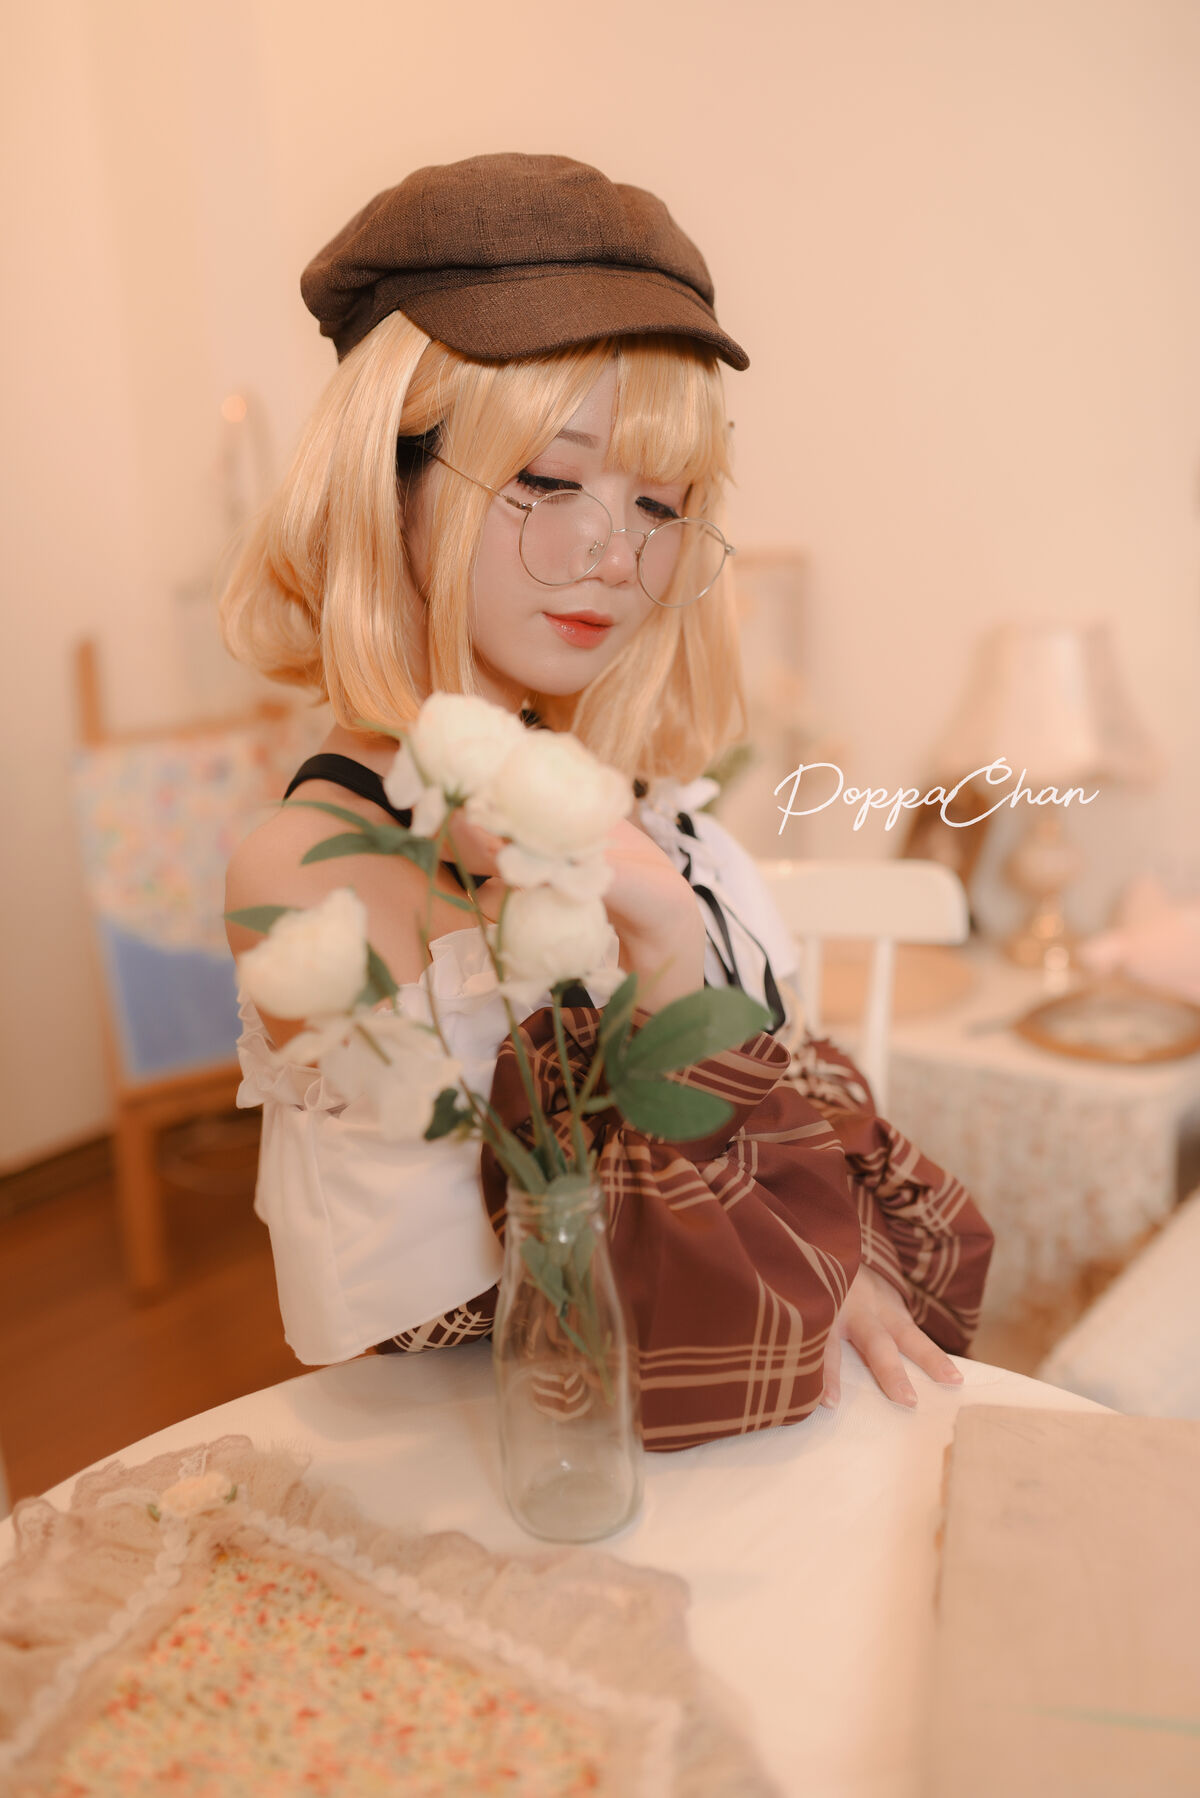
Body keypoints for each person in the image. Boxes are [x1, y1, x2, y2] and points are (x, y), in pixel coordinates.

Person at [222, 152, 993, 1448]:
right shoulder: (312, 873)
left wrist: (811, 1231)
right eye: (546, 479)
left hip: (738, 1442)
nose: (614, 552)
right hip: (488, 1466)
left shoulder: (658, 813)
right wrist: (668, 952)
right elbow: (535, 1318)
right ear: (385, 480)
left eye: (660, 503)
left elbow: (797, 1172)